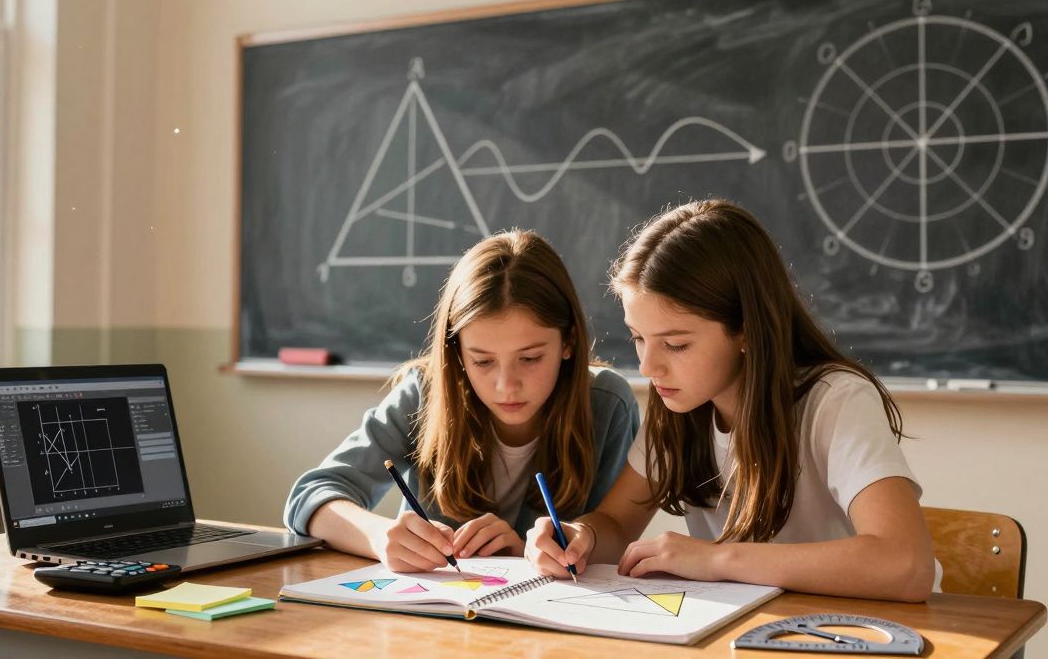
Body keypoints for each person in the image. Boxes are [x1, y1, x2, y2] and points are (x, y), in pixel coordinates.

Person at [524, 199, 936, 602]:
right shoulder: (679, 406)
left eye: (676, 344)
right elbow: (616, 522)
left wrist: (718, 558)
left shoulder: (836, 400)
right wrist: (582, 536)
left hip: (859, 628)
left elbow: (906, 565)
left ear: (746, 330)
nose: (649, 367)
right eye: (638, 338)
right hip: (750, 627)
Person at [284, 230, 638, 572]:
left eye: (530, 358)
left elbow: (613, 535)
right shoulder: (425, 392)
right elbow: (309, 497)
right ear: (457, 353)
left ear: (569, 342)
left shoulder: (606, 405)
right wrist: (378, 537)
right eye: (482, 361)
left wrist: (527, 555)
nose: (506, 386)